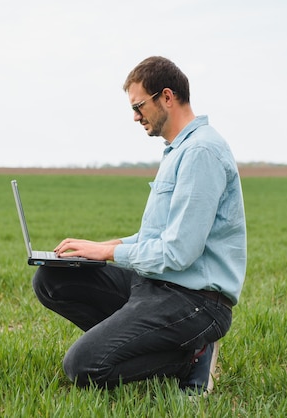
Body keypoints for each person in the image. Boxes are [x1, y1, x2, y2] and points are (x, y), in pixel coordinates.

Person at [32, 56, 247, 395]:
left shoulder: (201, 152)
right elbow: (157, 237)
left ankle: (192, 357)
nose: (135, 116)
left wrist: (111, 252)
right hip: (159, 284)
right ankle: (145, 346)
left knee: (83, 366)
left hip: (196, 301)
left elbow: (179, 251)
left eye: (138, 106)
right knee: (53, 278)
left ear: (166, 97)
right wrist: (99, 248)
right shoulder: (178, 151)